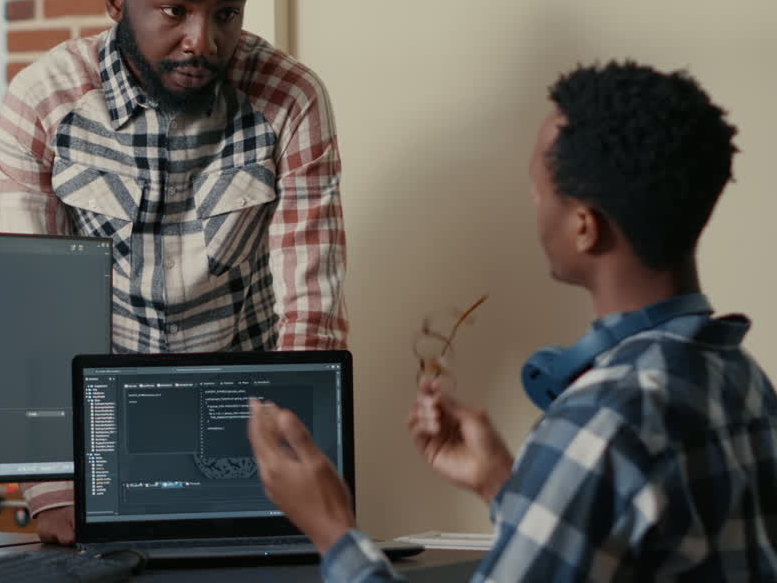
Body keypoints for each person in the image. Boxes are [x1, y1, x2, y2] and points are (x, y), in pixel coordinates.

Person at [248, 61, 777, 580]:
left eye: (539, 188)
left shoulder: (597, 423)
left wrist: (333, 531)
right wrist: (503, 484)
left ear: (584, 228)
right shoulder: (744, 382)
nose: (531, 200)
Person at [0, 0, 349, 544]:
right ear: (116, 1)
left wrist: (299, 474)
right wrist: (49, 491)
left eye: (226, 13)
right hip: (96, 449)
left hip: (250, 443)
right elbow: (25, 316)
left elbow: (311, 310)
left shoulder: (290, 100)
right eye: (175, 10)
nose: (202, 40)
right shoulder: (42, 103)